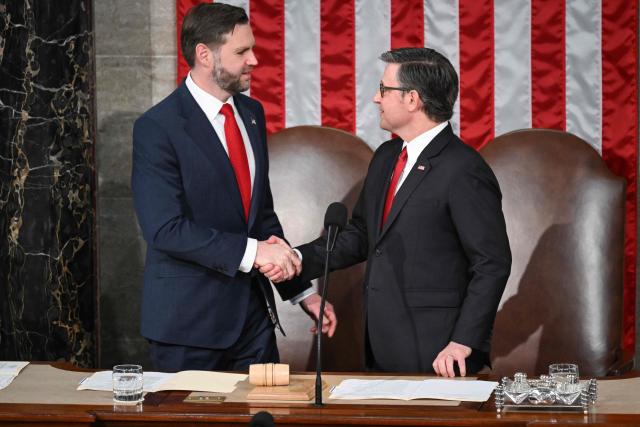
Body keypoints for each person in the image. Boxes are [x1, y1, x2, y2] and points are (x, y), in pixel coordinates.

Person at [264, 47, 511, 376]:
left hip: (439, 351)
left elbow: (492, 263)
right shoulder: (386, 156)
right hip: (380, 343)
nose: (376, 99)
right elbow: (361, 235)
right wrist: (295, 258)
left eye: (384, 89)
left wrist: (463, 341)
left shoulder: (464, 169)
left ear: (412, 99)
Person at [131, 2, 335, 372]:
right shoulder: (158, 128)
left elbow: (261, 218)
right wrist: (254, 253)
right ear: (204, 55)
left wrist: (300, 289)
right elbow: (164, 228)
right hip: (187, 328)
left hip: (254, 321)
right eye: (242, 51)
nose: (255, 60)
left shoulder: (252, 113)